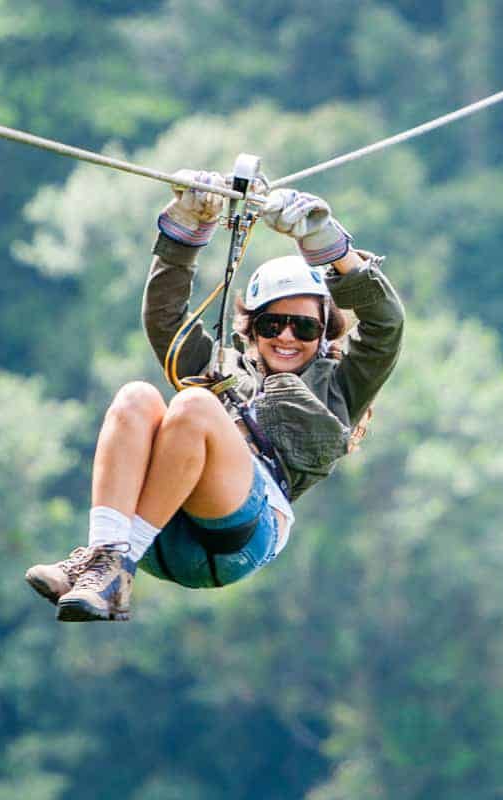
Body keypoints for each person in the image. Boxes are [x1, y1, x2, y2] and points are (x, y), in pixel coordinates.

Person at [24, 170, 404, 621]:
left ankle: (115, 566)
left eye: (303, 326)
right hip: (161, 527)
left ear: (323, 333)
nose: (286, 337)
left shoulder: (340, 386)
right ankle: (104, 556)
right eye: (271, 324)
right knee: (135, 397)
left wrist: (330, 245)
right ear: (252, 331)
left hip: (238, 536)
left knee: (193, 404)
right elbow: (166, 320)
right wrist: (187, 228)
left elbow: (386, 326)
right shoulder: (221, 370)